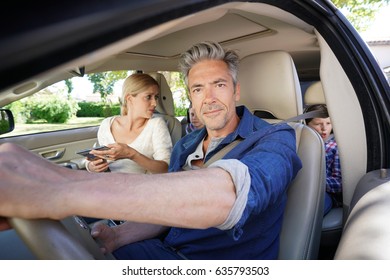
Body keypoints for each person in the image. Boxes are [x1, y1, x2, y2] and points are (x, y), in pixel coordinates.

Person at [0, 41, 302, 259]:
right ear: (191, 97)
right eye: (198, 89)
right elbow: (169, 210)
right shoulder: (186, 144)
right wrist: (119, 235)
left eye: (219, 85)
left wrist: (59, 187)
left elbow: (233, 194)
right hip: (158, 251)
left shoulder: (276, 138)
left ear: (236, 90)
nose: (208, 98)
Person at [85, 73, 172, 174]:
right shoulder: (107, 124)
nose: (155, 103)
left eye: (156, 97)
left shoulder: (156, 124)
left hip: (143, 187)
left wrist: (132, 154)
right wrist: (91, 166)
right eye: (148, 97)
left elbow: (165, 169)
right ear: (129, 99)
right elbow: (98, 157)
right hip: (112, 184)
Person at [305, 104, 342, 215]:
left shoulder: (335, 147)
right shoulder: (302, 143)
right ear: (306, 124)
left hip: (326, 194)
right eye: (318, 124)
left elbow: (340, 183)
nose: (324, 129)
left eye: (328, 123)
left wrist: (312, 183)